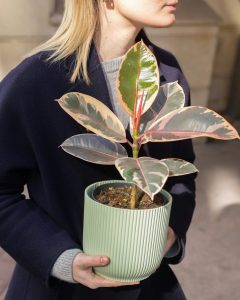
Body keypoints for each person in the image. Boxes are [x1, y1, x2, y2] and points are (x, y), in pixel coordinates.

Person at [0, 0, 196, 299]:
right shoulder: (35, 82)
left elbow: (181, 170)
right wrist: (61, 258)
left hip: (150, 288)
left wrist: (171, 232)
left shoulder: (167, 74)